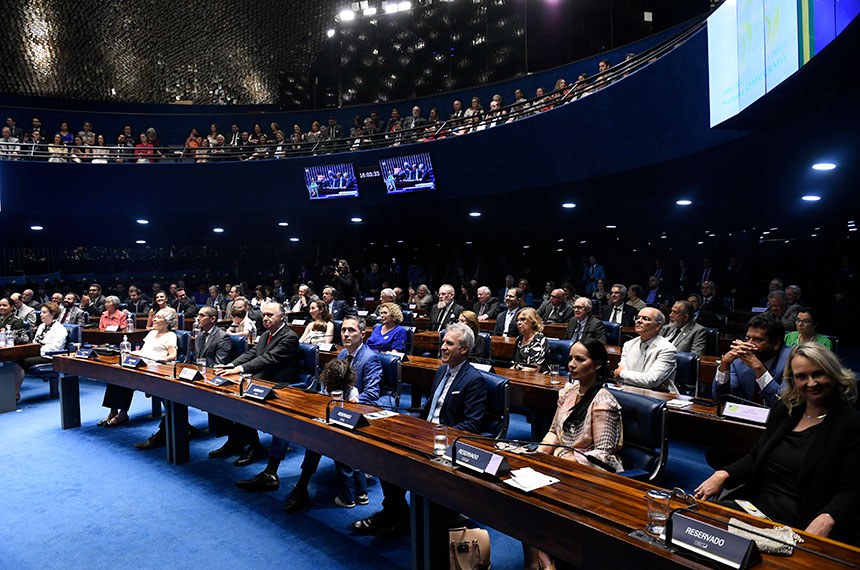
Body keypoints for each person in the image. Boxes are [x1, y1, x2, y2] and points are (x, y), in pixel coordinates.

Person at [694, 344, 860, 544]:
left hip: (803, 522)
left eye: (819, 374)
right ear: (793, 380)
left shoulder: (851, 423)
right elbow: (755, 456)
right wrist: (723, 473)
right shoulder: (785, 409)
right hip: (755, 508)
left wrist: (827, 518)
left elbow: (852, 489)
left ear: (833, 373)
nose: (811, 383)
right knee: (696, 533)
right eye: (801, 377)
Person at [351, 323, 486, 536]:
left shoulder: (474, 380)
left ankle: (396, 514)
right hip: (426, 434)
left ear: (464, 350)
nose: (442, 347)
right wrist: (407, 425)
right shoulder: (442, 370)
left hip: (445, 443)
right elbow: (428, 409)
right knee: (386, 453)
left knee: (403, 462)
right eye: (443, 342)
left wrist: (437, 433)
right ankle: (396, 510)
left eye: (449, 344)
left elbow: (473, 424)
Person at [238, 315, 381, 510]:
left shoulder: (370, 358)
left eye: (351, 330)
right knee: (306, 427)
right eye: (344, 330)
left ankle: (301, 485)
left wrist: (352, 402)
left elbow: (372, 393)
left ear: (362, 334)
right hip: (335, 408)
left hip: (357, 414)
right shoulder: (341, 355)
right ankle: (291, 480)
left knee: (316, 435)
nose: (346, 334)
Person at [525, 339, 624, 570]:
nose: (571, 364)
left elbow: (603, 454)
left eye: (580, 359)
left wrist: (563, 463)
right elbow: (553, 433)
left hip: (592, 473)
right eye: (570, 358)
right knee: (524, 493)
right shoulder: (567, 392)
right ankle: (536, 560)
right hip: (561, 464)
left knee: (542, 499)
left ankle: (547, 561)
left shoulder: (603, 401)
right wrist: (537, 457)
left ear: (597, 364)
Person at [210, 302, 298, 466]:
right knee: (223, 397)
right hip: (259, 378)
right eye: (264, 315)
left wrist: (240, 369)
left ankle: (255, 447)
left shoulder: (289, 337)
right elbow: (252, 353)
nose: (265, 318)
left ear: (282, 317)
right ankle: (235, 441)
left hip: (277, 384)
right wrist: (230, 365)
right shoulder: (266, 334)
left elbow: (268, 358)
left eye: (270, 315)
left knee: (242, 404)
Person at [135, 307, 231, 450]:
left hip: (211, 381)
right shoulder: (199, 336)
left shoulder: (222, 337)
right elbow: (195, 361)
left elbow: (218, 366)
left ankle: (163, 435)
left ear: (213, 319)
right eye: (197, 315)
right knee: (171, 395)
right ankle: (180, 428)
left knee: (173, 396)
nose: (197, 318)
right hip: (196, 376)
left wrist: (196, 373)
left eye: (202, 315)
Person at [99, 308, 178, 427]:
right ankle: (113, 411)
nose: (154, 319)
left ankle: (123, 413)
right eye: (154, 317)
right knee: (116, 374)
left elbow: (173, 355)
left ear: (167, 322)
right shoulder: (152, 333)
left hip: (155, 365)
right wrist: (133, 353)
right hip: (141, 362)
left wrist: (160, 359)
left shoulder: (170, 335)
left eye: (158, 318)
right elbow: (143, 350)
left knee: (127, 376)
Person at [713, 314, 791, 407]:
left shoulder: (793, 361)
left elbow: (783, 404)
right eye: (748, 338)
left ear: (776, 344)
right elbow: (721, 398)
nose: (748, 345)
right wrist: (724, 364)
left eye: (757, 340)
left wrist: (759, 369)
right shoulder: (739, 360)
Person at [613, 307, 678, 393]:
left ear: (658, 326)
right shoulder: (628, 344)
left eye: (645, 319)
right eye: (637, 318)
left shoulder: (667, 349)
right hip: (631, 391)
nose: (639, 321)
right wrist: (624, 375)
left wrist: (622, 373)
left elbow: (651, 381)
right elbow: (619, 378)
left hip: (660, 396)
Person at [12, 302, 67, 401]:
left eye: (44, 312)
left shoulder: (60, 329)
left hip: (50, 356)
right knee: (14, 358)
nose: (41, 314)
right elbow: (35, 342)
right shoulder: (41, 326)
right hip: (38, 353)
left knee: (21, 361)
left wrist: (37, 351)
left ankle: (15, 393)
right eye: (41, 312)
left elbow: (55, 348)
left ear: (53, 314)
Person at [512, 307, 548, 372]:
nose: (518, 323)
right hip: (520, 374)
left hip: (537, 378)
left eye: (523, 319)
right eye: (517, 320)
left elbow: (535, 368)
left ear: (532, 321)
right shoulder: (519, 339)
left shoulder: (539, 339)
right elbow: (516, 364)